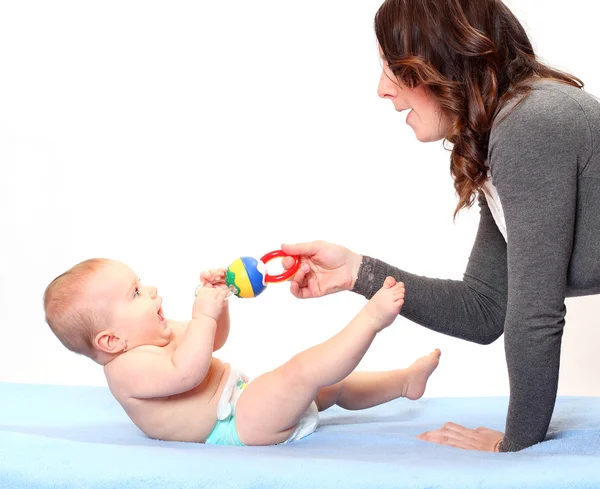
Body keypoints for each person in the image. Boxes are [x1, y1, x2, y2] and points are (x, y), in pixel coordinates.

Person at [280, 0, 600, 452]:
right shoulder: (504, 130)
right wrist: (358, 272)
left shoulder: (530, 124)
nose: (381, 88)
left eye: (394, 67)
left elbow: (536, 316)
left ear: (442, 59)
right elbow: (487, 308)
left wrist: (514, 447)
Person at [43, 258, 441, 446]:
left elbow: (213, 341)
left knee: (330, 388)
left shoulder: (157, 337)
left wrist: (221, 303)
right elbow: (190, 372)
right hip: (235, 427)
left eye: (141, 282)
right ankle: (370, 319)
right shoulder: (126, 371)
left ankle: (404, 382)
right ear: (111, 341)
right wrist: (202, 313)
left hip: (244, 399)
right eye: (135, 294)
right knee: (301, 371)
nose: (151, 291)